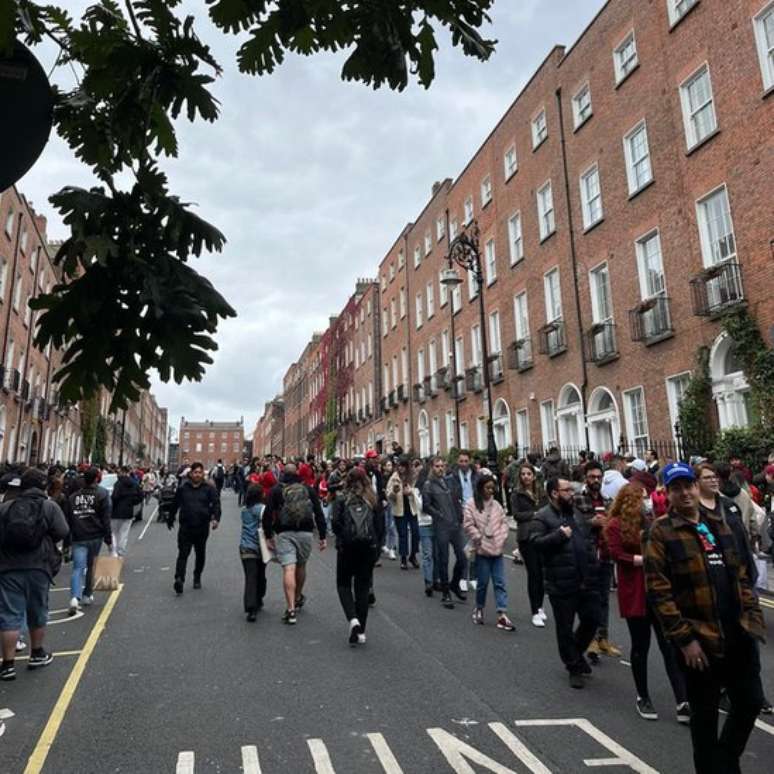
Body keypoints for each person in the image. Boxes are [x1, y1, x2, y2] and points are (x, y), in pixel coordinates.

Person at [645, 462, 765, 774]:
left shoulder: (718, 523)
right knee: (705, 720)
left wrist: (751, 619)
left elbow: (741, 574)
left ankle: (725, 762)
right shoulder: (660, 532)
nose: (684, 493)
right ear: (667, 493)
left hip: (737, 633)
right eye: (676, 488)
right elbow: (660, 592)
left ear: (697, 488)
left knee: (751, 701)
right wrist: (685, 640)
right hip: (700, 641)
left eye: (689, 486)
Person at [605, 483, 689, 723]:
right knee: (641, 646)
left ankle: (682, 700)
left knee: (669, 646)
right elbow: (615, 553)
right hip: (634, 591)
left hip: (657, 590)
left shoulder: (649, 522)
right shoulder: (615, 525)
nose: (647, 502)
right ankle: (643, 696)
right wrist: (640, 559)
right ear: (630, 500)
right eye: (642, 499)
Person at [531, 477, 601, 689]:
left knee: (592, 619)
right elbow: (536, 544)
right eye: (567, 490)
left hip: (585, 578)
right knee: (565, 627)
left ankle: (576, 654)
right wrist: (559, 536)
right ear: (554, 493)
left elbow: (585, 539)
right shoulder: (542, 517)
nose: (572, 493)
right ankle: (573, 667)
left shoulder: (575, 513)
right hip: (561, 581)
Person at [0, 468, 69, 681]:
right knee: (38, 610)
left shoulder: (5, 508)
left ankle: (8, 664)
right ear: (43, 486)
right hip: (38, 566)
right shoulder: (49, 506)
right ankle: (37, 653)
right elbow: (63, 531)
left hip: (9, 567)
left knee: (9, 615)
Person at [264, 462, 327, 625]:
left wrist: (268, 535)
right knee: (301, 566)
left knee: (288, 569)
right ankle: (298, 596)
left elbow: (268, 513)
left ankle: (290, 609)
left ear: (283, 473)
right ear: (298, 473)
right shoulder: (308, 489)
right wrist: (323, 535)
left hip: (284, 533)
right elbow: (318, 513)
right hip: (306, 533)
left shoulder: (276, 490)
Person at [575, 460, 623, 660]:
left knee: (604, 597)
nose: (596, 480)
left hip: (605, 554)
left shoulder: (608, 500)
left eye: (598, 477)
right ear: (585, 478)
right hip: (587, 553)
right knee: (589, 598)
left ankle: (603, 637)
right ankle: (591, 639)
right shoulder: (577, 499)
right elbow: (573, 524)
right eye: (592, 477)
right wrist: (590, 523)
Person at [332, 468, 384, 645]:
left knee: (343, 584)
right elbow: (380, 526)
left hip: (347, 548)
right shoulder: (372, 499)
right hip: (368, 548)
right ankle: (361, 630)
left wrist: (342, 539)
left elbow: (335, 523)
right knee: (362, 587)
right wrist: (377, 549)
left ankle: (352, 619)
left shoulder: (341, 498)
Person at [463, 475, 515, 631]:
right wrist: (478, 538)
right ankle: (479, 608)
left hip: (497, 550)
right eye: (488, 488)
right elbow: (468, 524)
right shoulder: (471, 505)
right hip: (481, 550)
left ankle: (502, 614)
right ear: (480, 488)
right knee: (483, 583)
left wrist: (500, 539)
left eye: (493, 488)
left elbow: (504, 523)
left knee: (500, 582)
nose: (491, 491)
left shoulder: (497, 505)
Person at [167, 462, 221, 594]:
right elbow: (175, 503)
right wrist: (171, 517)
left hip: (202, 527)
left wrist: (216, 518)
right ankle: (179, 578)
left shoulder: (209, 489)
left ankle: (197, 576)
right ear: (191, 474)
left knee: (200, 553)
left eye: (200, 472)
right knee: (183, 553)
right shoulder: (183, 488)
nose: (197, 475)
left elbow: (216, 504)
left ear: (203, 474)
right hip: (186, 526)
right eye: (195, 472)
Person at [65, 467, 112, 616]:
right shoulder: (102, 494)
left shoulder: (72, 497)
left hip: (78, 536)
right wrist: (109, 539)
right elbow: (106, 519)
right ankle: (87, 595)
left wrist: (67, 541)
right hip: (95, 536)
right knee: (92, 565)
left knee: (78, 568)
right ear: (97, 478)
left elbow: (68, 520)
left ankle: (74, 597)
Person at [422, 456, 467, 609]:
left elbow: (457, 500)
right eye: (437, 466)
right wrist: (440, 516)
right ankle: (446, 592)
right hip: (441, 526)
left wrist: (460, 516)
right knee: (443, 560)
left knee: (463, 557)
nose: (440, 468)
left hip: (455, 524)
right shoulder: (428, 485)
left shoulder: (450, 481)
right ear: (432, 468)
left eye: (442, 466)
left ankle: (454, 584)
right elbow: (426, 506)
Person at [511, 463, 547, 627]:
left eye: (528, 474)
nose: (526, 476)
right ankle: (535, 610)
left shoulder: (541, 492)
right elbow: (517, 515)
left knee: (542, 573)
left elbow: (548, 510)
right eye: (523, 474)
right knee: (534, 573)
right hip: (526, 537)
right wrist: (534, 514)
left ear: (533, 476)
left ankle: (540, 606)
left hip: (542, 535)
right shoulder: (516, 494)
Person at [387, 457, 421, 570]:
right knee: (403, 535)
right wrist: (394, 491)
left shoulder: (412, 477)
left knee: (416, 533)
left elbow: (418, 491)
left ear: (407, 466)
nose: (401, 468)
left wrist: (411, 492)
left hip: (412, 509)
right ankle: (403, 558)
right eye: (399, 466)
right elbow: (389, 495)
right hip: (399, 510)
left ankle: (413, 555)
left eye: (403, 466)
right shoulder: (394, 478)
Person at [240, 484, 266, 622]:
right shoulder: (261, 509)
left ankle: (251, 607)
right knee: (260, 574)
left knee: (250, 576)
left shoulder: (244, 510)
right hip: (260, 547)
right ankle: (258, 598)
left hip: (245, 546)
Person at [110, 466, 142, 557]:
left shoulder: (118, 483)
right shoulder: (134, 483)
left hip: (116, 511)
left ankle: (114, 552)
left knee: (114, 533)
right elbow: (140, 496)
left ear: (122, 472)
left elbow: (115, 497)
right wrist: (132, 502)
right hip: (128, 511)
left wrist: (113, 504)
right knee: (124, 533)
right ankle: (121, 551)